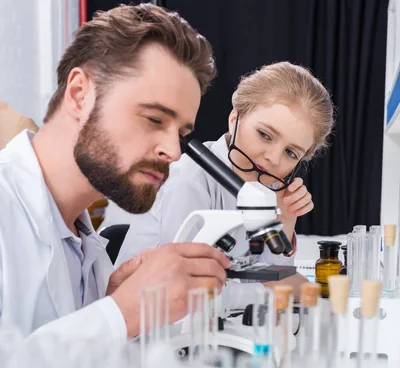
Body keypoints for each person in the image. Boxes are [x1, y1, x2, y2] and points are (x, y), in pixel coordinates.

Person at [0, 3, 232, 343]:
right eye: (154, 119)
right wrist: (119, 315)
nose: (174, 151)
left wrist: (111, 311)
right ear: (80, 95)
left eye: (181, 133)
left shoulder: (88, 253)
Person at [116, 61, 334, 305]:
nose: (273, 158)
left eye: (291, 153)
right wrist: (270, 292)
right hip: (148, 321)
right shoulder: (191, 178)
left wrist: (287, 219)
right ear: (234, 118)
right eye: (264, 135)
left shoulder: (268, 186)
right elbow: (186, 292)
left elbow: (273, 273)